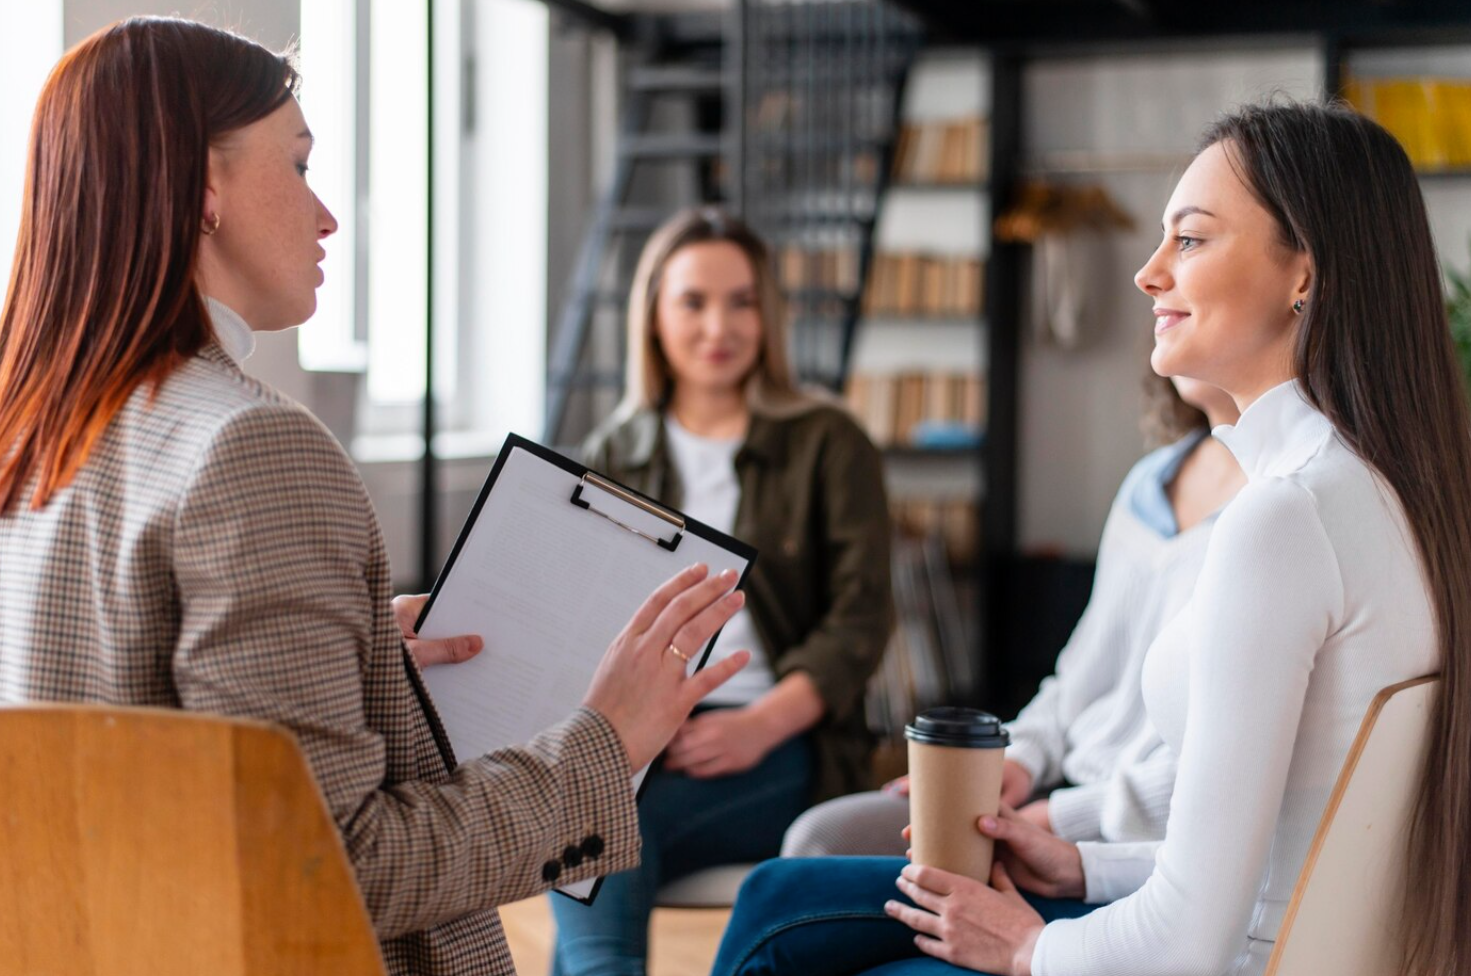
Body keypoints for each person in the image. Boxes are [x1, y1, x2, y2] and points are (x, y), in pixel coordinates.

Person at [0, 18, 752, 976]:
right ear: (204, 189)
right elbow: (332, 868)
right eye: (298, 165)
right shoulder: (250, 449)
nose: (327, 214)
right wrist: (604, 744)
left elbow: (110, 746)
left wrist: (357, 661)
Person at [709, 100, 1470, 976]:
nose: (1148, 274)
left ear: (1306, 271)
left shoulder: (1286, 518)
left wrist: (1032, 947)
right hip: (1273, 941)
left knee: (781, 918)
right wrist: (1081, 862)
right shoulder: (1396, 495)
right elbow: (1283, 851)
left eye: (1189, 240)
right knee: (790, 897)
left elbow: (1192, 940)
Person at [547, 206, 894, 975]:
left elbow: (860, 621)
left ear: (767, 315)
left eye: (741, 302)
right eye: (693, 302)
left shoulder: (830, 442)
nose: (719, 326)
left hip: (782, 739)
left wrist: (764, 724)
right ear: (655, 317)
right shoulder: (618, 449)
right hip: (643, 731)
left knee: (601, 825)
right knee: (587, 806)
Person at [779, 375, 1243, 860]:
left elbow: (1227, 778)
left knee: (820, 874)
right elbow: (1076, 684)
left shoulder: (1285, 506)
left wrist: (1051, 821)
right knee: (821, 840)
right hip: (1062, 788)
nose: (1154, 293)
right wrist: (1013, 761)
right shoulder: (1149, 481)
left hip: (1130, 843)